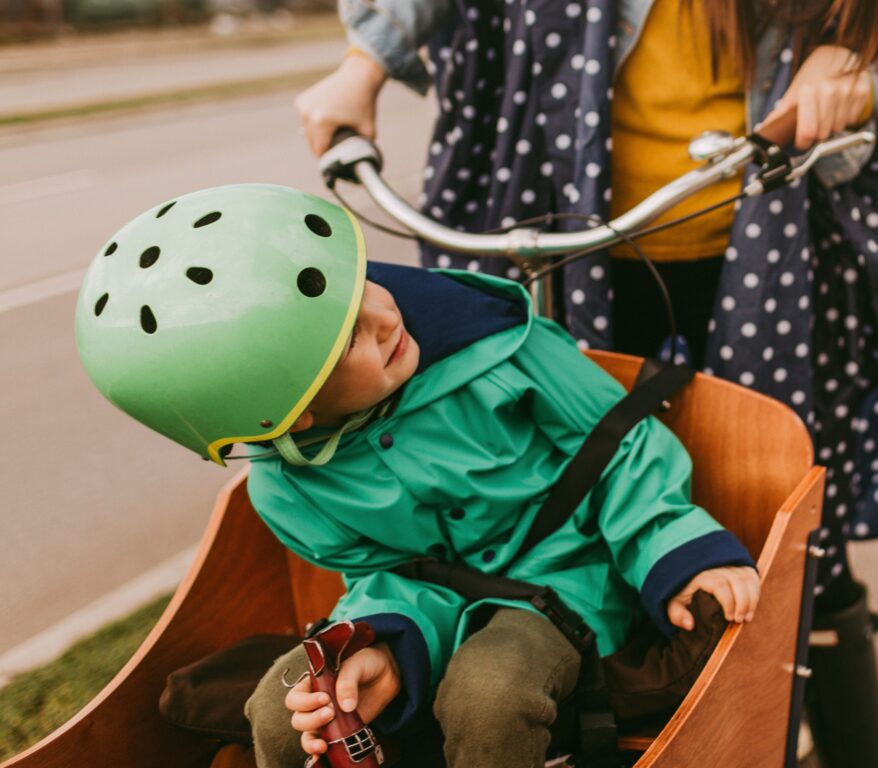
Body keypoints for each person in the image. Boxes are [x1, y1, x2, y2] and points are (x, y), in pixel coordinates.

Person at [295, 2, 878, 765]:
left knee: (788, 522)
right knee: (549, 488)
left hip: (761, 253)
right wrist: (362, 66)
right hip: (574, 239)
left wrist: (851, 64)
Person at [74, 183, 760, 768]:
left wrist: (679, 551)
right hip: (428, 598)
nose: (384, 315)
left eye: (362, 284)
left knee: (491, 697)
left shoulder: (500, 350)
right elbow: (385, 572)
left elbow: (619, 447)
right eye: (346, 338)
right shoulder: (288, 487)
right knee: (287, 712)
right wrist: (379, 643)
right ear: (293, 415)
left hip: (567, 575)